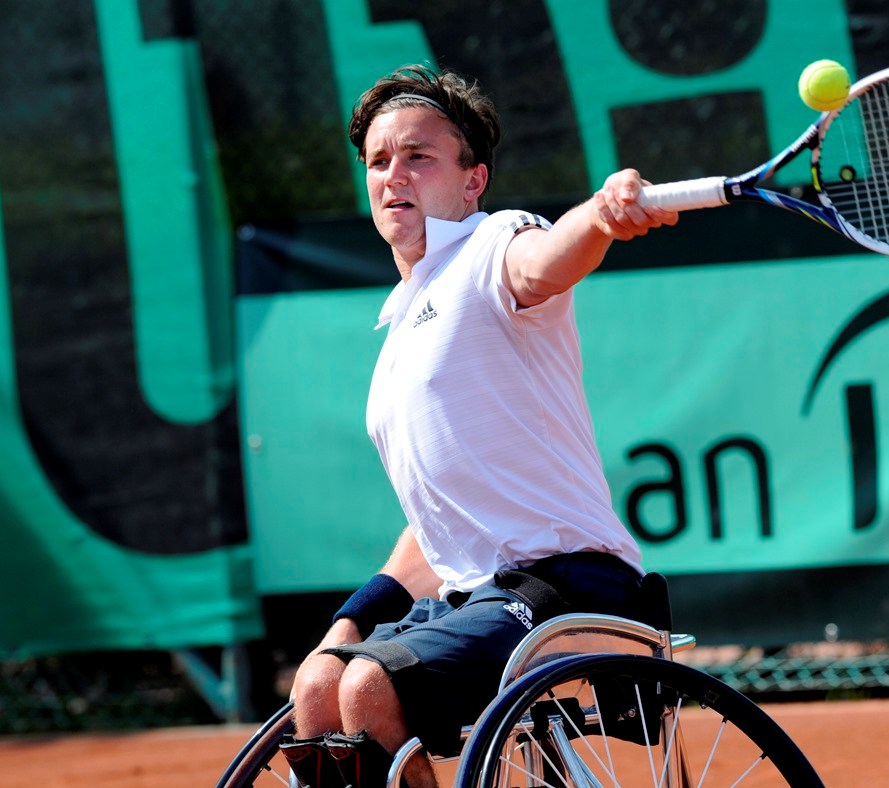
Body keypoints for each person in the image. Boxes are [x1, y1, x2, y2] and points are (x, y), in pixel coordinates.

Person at [282, 63, 678, 788]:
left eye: (418, 156)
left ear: (473, 181)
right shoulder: (401, 328)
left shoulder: (491, 244)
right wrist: (350, 620)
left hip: (570, 585)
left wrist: (599, 216)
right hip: (471, 596)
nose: (393, 174)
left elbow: (544, 265)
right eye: (378, 161)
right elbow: (436, 529)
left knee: (369, 687)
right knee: (316, 686)